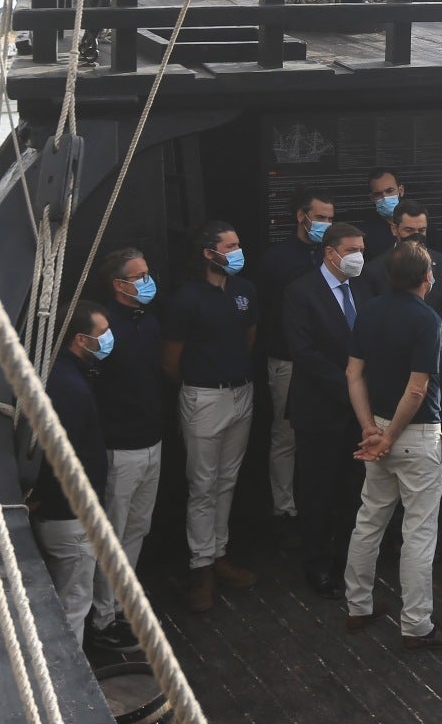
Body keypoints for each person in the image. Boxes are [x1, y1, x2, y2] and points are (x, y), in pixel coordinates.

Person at [342, 241, 442, 650]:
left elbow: (353, 374)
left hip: (377, 428)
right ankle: (416, 626)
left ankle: (357, 607)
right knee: (419, 534)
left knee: (369, 520)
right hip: (415, 436)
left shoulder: (370, 310)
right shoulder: (427, 319)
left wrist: (371, 431)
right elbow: (418, 389)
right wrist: (389, 437)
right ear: (427, 276)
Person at [160, 221, 258, 613]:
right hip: (203, 397)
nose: (237, 252)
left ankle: (219, 553)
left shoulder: (245, 291)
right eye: (229, 246)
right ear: (209, 254)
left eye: (238, 245)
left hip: (241, 393)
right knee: (202, 483)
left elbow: (249, 338)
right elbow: (170, 359)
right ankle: (200, 566)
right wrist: (200, 384)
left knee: (228, 479)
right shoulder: (186, 300)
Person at [284, 223, 375, 596]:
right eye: (352, 250)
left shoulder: (365, 288)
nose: (358, 257)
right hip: (321, 409)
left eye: (362, 249)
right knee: (318, 491)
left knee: (355, 491)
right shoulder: (300, 292)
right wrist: (351, 388)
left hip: (360, 414)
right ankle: (317, 565)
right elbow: (303, 353)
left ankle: (348, 558)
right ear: (330, 252)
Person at [86, 249, 167, 653]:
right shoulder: (105, 328)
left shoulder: (148, 323)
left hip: (151, 439)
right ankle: (102, 619)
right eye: (140, 276)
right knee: (113, 535)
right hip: (120, 448)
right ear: (119, 285)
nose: (148, 281)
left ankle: (122, 605)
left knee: (138, 528)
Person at [255, 188, 336, 538]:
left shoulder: (331, 255)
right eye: (321, 217)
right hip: (288, 360)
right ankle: (284, 508)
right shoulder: (276, 260)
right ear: (302, 216)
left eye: (331, 219)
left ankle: (322, 503)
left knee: (327, 432)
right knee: (285, 435)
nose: (326, 224)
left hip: (327, 361)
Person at [31, 300, 111, 647]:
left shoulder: (60, 376)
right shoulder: (70, 389)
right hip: (70, 519)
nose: (110, 339)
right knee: (73, 605)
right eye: (103, 333)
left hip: (61, 515)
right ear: (81, 340)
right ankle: (68, 688)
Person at [390, 198, 442, 402]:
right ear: (395, 228)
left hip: (436, 363)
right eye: (409, 230)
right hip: (394, 366)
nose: (416, 237)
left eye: (422, 230)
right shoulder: (377, 267)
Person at [363, 167, 408, 261]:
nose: (385, 197)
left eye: (389, 191)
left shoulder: (421, 223)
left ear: (401, 191)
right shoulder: (365, 233)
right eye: (378, 194)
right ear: (372, 198)